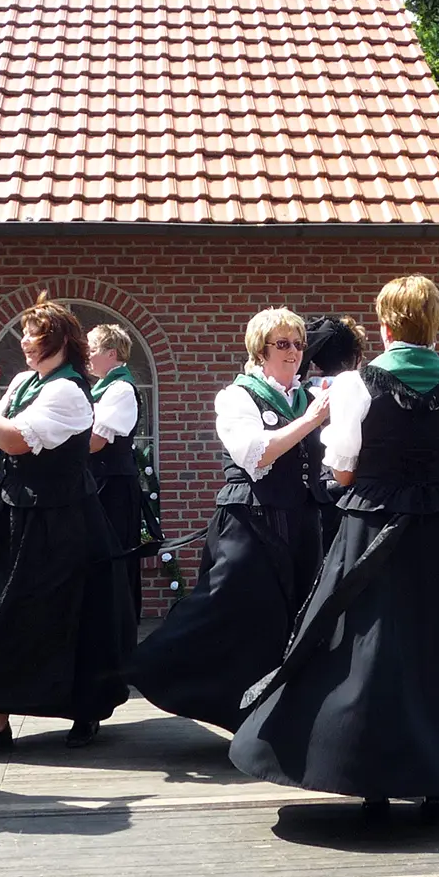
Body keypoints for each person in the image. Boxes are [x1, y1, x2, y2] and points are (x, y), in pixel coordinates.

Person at [230, 275, 439, 819]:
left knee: (367, 644)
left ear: (385, 327)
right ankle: (438, 780)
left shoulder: (355, 386)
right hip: (437, 526)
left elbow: (342, 469)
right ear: (435, 323)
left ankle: (370, 779)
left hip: (372, 523)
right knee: (438, 642)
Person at [0, 295, 134, 755]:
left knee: (73, 613)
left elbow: (15, 440)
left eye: (33, 334)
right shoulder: (22, 382)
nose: (25, 342)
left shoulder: (68, 390)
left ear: (58, 340)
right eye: (25, 334)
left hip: (63, 517)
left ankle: (84, 709)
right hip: (12, 509)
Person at [125, 309, 329, 732]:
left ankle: (278, 721)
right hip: (251, 523)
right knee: (233, 614)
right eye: (283, 344)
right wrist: (309, 422)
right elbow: (255, 454)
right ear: (260, 350)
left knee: (296, 619)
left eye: (298, 344)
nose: (294, 352)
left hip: (302, 522)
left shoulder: (307, 397)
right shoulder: (238, 396)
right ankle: (150, 671)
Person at [85, 323, 145, 621]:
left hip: (113, 486)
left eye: (92, 349)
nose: (87, 355)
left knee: (113, 554)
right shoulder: (98, 389)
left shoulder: (120, 389)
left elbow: (95, 442)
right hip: (97, 481)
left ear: (111, 353)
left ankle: (118, 628)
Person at [304, 315, 367, 549]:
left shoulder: (301, 392)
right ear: (356, 356)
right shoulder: (366, 390)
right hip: (354, 493)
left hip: (312, 492)